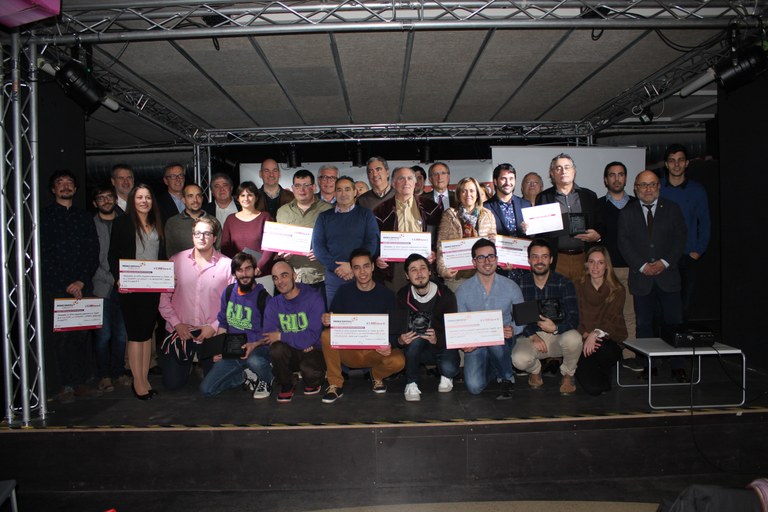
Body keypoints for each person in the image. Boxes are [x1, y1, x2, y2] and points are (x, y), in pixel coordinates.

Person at [618, 170, 688, 382]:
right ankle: (650, 366)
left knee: (674, 322)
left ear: (658, 187)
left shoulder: (673, 209)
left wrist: (664, 262)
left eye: (652, 184)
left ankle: (678, 366)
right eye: (643, 185)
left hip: (668, 276)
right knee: (643, 324)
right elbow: (624, 243)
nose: (647, 189)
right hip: (641, 278)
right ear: (635, 188)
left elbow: (680, 239)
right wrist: (642, 266)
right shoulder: (627, 212)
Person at [41, 170, 101, 402]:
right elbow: (43, 254)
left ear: (75, 189)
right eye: (60, 183)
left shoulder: (84, 217)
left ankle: (82, 382)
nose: (65, 186)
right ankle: (64, 385)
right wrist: (67, 284)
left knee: (82, 336)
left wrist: (81, 281)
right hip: (57, 287)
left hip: (82, 285)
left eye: (69, 183)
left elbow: (92, 251)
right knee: (61, 338)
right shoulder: (44, 217)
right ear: (53, 189)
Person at [319, 248, 405, 403]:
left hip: (376, 352)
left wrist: (390, 344)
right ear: (352, 270)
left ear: (373, 267)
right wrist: (327, 319)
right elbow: (333, 320)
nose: (362, 272)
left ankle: (376, 376)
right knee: (326, 335)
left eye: (366, 266)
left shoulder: (387, 295)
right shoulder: (344, 292)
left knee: (398, 361)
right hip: (350, 351)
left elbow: (395, 330)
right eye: (357, 268)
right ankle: (335, 384)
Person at [158, 217, 233, 391]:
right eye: (198, 233)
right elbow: (163, 299)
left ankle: (206, 365)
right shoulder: (175, 261)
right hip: (181, 333)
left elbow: (233, 304)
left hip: (211, 334)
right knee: (172, 384)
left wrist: (214, 327)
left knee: (213, 386)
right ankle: (189, 364)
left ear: (214, 238)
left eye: (207, 233)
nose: (202, 237)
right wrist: (177, 324)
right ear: (192, 236)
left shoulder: (227, 265)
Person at [109, 184, 166, 400]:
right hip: (131, 286)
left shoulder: (157, 223)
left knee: (146, 333)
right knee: (135, 334)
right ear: (133, 200)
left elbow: (162, 254)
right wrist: (118, 277)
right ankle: (138, 381)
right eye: (140, 197)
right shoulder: (122, 223)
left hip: (152, 286)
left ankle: (144, 378)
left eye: (148, 197)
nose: (144, 201)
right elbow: (113, 254)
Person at [511, 238, 582, 395]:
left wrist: (556, 328)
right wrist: (532, 335)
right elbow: (516, 318)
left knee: (574, 339)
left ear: (551, 260)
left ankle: (568, 374)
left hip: (559, 336)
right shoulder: (520, 284)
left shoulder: (564, 283)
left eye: (544, 257)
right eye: (535, 257)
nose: (539, 261)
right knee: (518, 360)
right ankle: (535, 370)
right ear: (529, 260)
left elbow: (574, 318)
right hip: (531, 337)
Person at [455, 238, 523, 399]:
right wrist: (464, 341)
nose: (487, 261)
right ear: (474, 262)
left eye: (491, 256)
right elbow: (458, 324)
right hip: (475, 343)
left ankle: (506, 377)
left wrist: (513, 329)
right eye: (481, 257)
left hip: (502, 340)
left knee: (496, 342)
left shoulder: (511, 286)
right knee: (474, 387)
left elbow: (522, 319)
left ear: (497, 259)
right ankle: (497, 366)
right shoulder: (462, 290)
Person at [199, 252, 273, 399]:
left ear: (255, 270)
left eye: (248, 269)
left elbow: (272, 335)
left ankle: (266, 377)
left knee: (255, 361)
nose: (244, 274)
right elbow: (223, 323)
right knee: (206, 389)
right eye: (240, 270)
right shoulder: (228, 292)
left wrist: (254, 345)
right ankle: (242, 377)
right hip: (233, 350)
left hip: (257, 349)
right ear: (234, 273)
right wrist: (219, 349)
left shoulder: (264, 299)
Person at [396, 253, 460, 401]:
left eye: (423, 268)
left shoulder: (446, 294)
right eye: (413, 270)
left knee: (450, 369)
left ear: (430, 271)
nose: (419, 273)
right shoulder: (402, 296)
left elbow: (453, 332)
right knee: (415, 338)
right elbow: (397, 330)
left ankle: (446, 374)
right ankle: (411, 383)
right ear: (407, 275)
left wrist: (437, 339)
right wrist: (400, 339)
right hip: (416, 348)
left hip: (442, 344)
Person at [660, 144, 710, 321]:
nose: (676, 164)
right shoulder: (657, 188)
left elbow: (705, 223)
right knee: (662, 307)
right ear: (666, 164)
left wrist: (698, 251)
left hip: (687, 256)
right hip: (662, 256)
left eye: (680, 160)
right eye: (672, 160)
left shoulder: (697, 190)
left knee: (683, 307)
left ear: (687, 163)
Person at [263, 260, 326, 403]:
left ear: (294, 276)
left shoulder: (314, 298)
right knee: (276, 349)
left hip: (312, 350)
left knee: (311, 376)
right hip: (292, 351)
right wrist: (301, 341)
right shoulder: (273, 304)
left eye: (284, 275)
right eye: (275, 278)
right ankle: (287, 383)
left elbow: (311, 336)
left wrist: (281, 335)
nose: (280, 281)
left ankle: (314, 377)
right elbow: (269, 337)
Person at [313, 175, 380, 307]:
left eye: (347, 189)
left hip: (361, 275)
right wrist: (337, 268)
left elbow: (372, 243)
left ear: (355, 192)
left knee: (362, 314)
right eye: (339, 190)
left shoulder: (366, 214)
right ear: (334, 193)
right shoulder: (324, 217)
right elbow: (318, 248)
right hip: (334, 276)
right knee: (336, 316)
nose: (343, 193)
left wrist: (353, 266)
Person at [535, 153, 603, 283]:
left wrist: (598, 236)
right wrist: (530, 226)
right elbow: (540, 233)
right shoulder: (543, 197)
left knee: (582, 295)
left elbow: (600, 223)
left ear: (574, 171)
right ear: (552, 173)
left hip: (584, 258)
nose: (563, 171)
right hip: (557, 259)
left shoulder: (589, 196)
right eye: (558, 168)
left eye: (567, 167)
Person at [374, 167, 442, 293]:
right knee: (398, 302)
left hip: (424, 263)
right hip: (396, 268)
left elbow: (440, 236)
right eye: (401, 179)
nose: (406, 182)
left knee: (425, 300)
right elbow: (374, 240)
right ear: (393, 184)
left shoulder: (431, 208)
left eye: (410, 178)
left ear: (415, 183)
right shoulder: (380, 211)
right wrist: (377, 257)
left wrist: (435, 252)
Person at [573, 246, 627, 395]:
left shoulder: (617, 290)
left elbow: (612, 319)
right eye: (591, 262)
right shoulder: (576, 286)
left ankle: (603, 368)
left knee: (603, 349)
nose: (595, 267)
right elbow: (572, 315)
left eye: (600, 262)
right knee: (594, 389)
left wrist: (595, 334)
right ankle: (597, 372)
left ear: (607, 265)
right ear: (586, 264)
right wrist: (585, 334)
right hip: (583, 340)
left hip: (607, 341)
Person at [91, 185, 129, 393]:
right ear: (95, 203)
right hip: (100, 286)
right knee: (103, 335)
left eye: (109, 197)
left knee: (122, 335)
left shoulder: (126, 222)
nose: (106, 200)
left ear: (115, 200)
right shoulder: (89, 224)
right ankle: (104, 376)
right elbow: (88, 257)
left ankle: (119, 372)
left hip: (125, 285)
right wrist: (112, 278)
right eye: (101, 197)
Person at [276, 169, 333, 301]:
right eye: (297, 185)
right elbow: (279, 243)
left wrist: (322, 251)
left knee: (320, 313)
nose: (301, 190)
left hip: (320, 277)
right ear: (292, 188)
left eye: (306, 185)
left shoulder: (328, 210)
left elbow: (335, 241)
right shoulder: (283, 211)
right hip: (291, 279)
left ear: (314, 187)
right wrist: (282, 253)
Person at [597, 161, 637, 342]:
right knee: (604, 315)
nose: (617, 178)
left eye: (620, 174)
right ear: (606, 180)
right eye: (612, 175)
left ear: (626, 178)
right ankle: (606, 353)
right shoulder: (597, 205)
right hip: (605, 270)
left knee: (629, 314)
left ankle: (630, 353)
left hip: (631, 269)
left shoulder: (637, 204)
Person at [436, 177, 497, 291]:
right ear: (459, 195)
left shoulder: (488, 215)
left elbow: (494, 245)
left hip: (483, 275)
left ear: (477, 194)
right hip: (457, 276)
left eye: (472, 190)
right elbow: (440, 245)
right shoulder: (449, 215)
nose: (468, 194)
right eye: (464, 191)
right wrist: (443, 270)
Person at [220, 181, 276, 278]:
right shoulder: (230, 219)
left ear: (256, 197)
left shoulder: (266, 217)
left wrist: (259, 267)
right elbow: (225, 247)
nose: (246, 198)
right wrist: (238, 267)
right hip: (239, 273)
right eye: (242, 195)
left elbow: (270, 247)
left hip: (261, 272)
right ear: (238, 198)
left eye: (249, 195)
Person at [164, 183, 219, 258]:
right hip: (181, 264)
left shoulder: (213, 221)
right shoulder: (172, 223)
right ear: (183, 199)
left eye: (198, 196)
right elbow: (170, 253)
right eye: (190, 196)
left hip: (209, 264)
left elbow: (218, 249)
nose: (195, 200)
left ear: (202, 199)